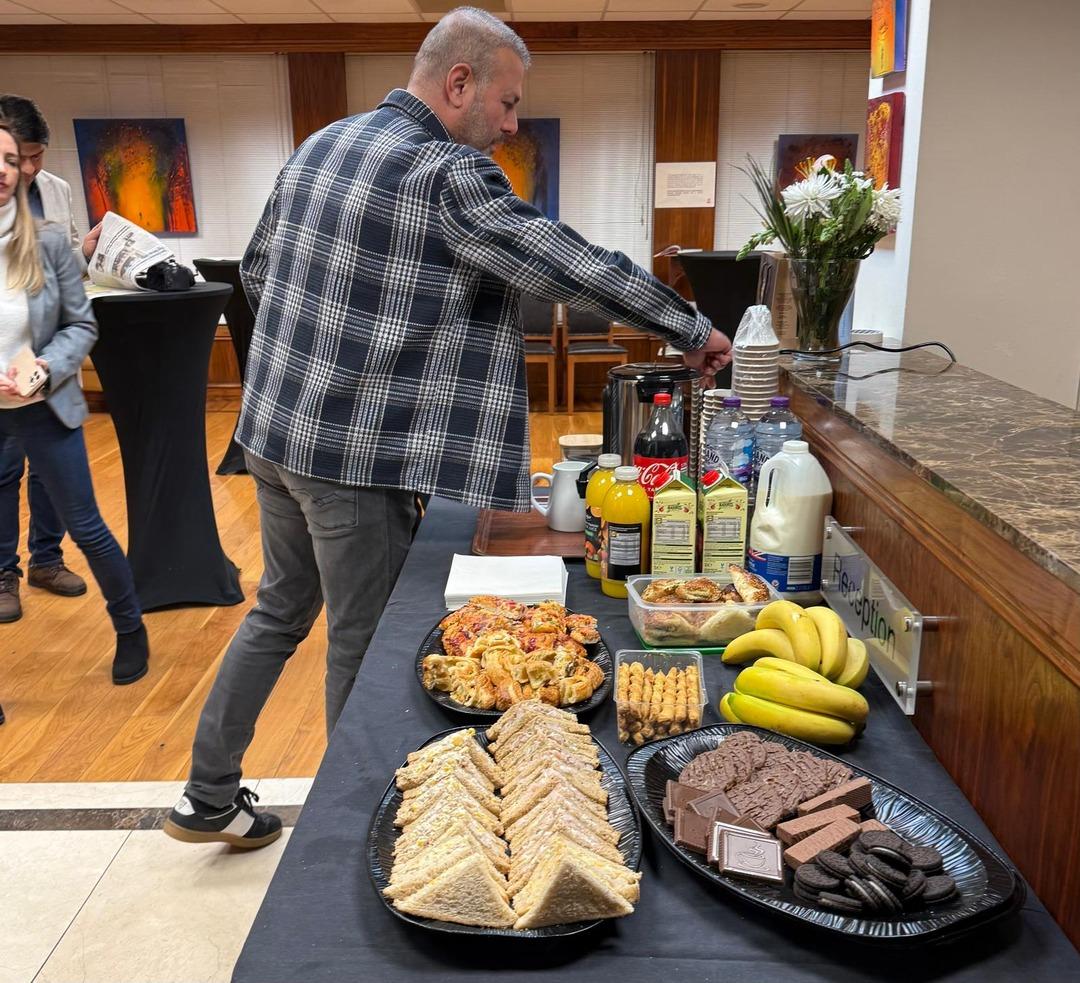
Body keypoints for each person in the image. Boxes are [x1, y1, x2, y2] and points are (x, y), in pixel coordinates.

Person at [164, 6, 731, 850]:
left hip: (273, 435)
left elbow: (256, 269)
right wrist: (690, 326)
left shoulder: (323, 143)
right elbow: (561, 258)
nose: (509, 126)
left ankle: (205, 796)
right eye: (505, 104)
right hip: (353, 461)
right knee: (366, 645)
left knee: (280, 607)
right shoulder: (443, 173)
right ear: (457, 82)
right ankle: (365, 832)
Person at [0, 119, 150, 684]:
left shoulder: (46, 244)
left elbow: (79, 325)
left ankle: (130, 628)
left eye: (10, 160)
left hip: (43, 409)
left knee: (86, 528)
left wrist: (43, 366)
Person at [0, 95, 102, 622]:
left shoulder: (58, 191)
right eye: (25, 156)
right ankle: (2, 574)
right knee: (3, 472)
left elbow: (68, 283)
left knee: (49, 474)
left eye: (39, 155)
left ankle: (47, 559)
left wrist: (85, 251)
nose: (33, 168)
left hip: (51, 359)